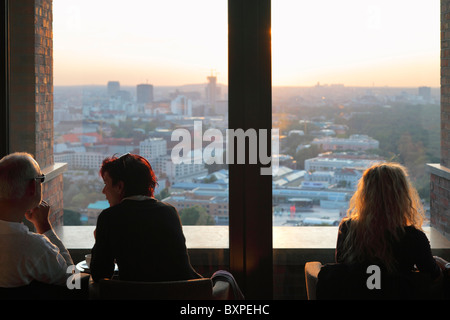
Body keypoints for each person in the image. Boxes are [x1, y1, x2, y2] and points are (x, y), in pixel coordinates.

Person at [90, 153, 202, 283]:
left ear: (120, 186)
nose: (104, 191)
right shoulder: (169, 212)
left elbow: (99, 275)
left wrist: (100, 240)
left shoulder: (109, 218)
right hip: (180, 295)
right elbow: (182, 270)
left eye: (106, 183)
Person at [335, 162, 448, 288]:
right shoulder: (414, 237)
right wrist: (445, 265)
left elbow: (341, 267)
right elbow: (434, 276)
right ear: (402, 196)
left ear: (365, 194)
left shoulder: (348, 229)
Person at [0, 152, 73, 287]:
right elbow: (73, 281)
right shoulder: (35, 248)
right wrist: (44, 226)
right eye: (41, 179)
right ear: (33, 187)